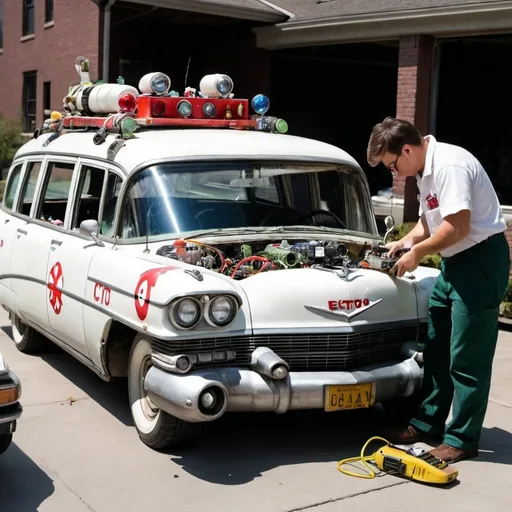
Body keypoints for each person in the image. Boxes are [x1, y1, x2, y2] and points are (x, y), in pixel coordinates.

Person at [366, 117, 511, 463]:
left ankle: (461, 438)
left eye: (392, 165)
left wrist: (418, 253)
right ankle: (428, 422)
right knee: (437, 346)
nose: (394, 173)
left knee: (467, 356)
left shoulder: (449, 165)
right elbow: (430, 220)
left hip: (477, 261)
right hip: (454, 263)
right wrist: (406, 240)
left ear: (407, 149)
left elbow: (457, 226)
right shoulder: (424, 169)